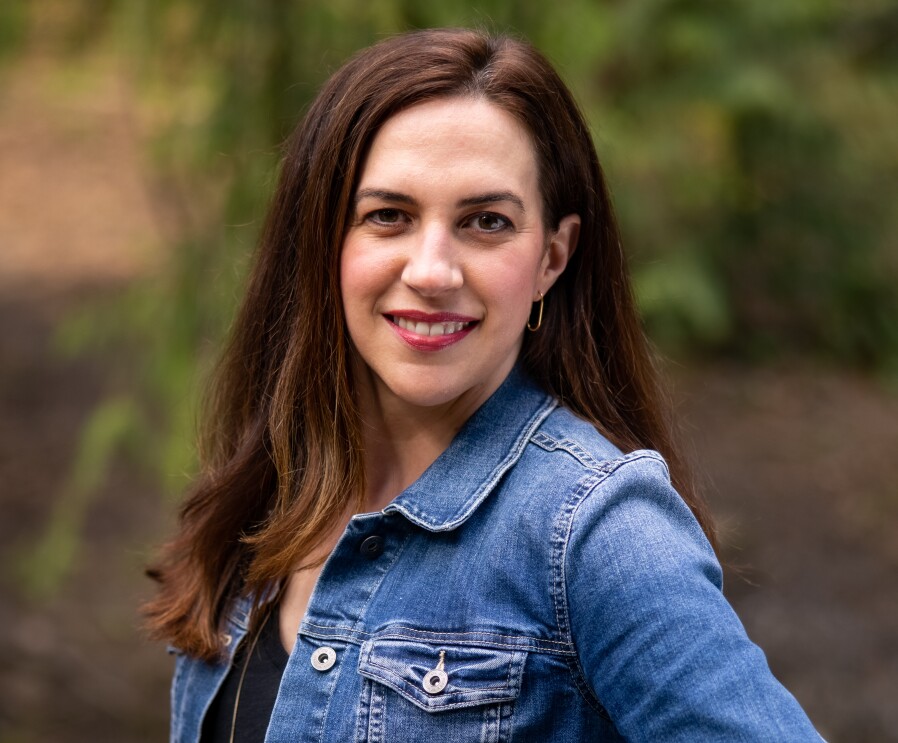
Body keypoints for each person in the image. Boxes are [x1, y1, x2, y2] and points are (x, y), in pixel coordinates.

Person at [145, 27, 823, 743]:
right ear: (322, 241)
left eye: (485, 222)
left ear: (552, 258)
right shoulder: (270, 497)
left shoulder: (595, 532)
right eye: (388, 217)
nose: (433, 271)